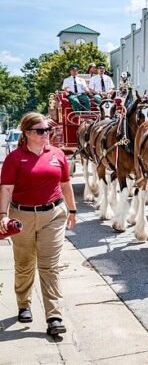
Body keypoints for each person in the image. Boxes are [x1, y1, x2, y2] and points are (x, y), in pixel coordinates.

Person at [0, 112, 77, 335]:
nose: (46, 134)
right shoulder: (15, 158)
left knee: (49, 266)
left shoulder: (57, 154)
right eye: (41, 131)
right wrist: (3, 215)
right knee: (24, 264)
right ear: (27, 133)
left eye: (48, 130)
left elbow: (65, 184)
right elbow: (5, 189)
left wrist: (72, 209)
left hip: (53, 215)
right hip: (21, 216)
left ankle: (54, 315)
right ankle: (24, 303)